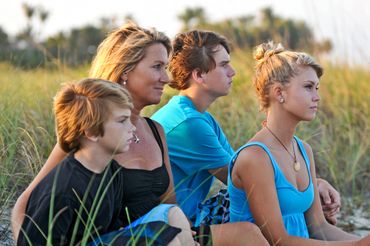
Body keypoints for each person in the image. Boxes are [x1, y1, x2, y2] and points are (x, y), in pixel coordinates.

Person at [12, 23, 194, 245]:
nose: (166, 78)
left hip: (143, 233)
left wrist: (184, 233)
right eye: (157, 66)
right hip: (116, 239)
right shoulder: (91, 133)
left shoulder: (156, 130)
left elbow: (169, 205)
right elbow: (28, 203)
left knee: (179, 221)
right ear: (126, 70)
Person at [152, 30, 341, 227]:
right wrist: (313, 187)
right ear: (199, 75)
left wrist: (312, 183)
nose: (232, 72)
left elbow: (240, 167)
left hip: (188, 214)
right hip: (176, 226)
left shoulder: (200, 117)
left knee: (293, 206)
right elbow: (246, 180)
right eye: (224, 65)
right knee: (275, 204)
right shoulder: (189, 124)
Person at [227, 41, 370, 245]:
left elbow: (319, 228)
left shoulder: (303, 150)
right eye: (308, 87)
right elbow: (279, 240)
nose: (317, 97)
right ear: (279, 93)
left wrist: (362, 240)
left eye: (317, 88)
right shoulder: (255, 158)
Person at [17, 78, 182, 245]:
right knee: (163, 239)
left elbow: (112, 229)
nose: (132, 128)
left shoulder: (112, 171)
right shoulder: (64, 189)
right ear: (91, 131)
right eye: (122, 121)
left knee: (172, 218)